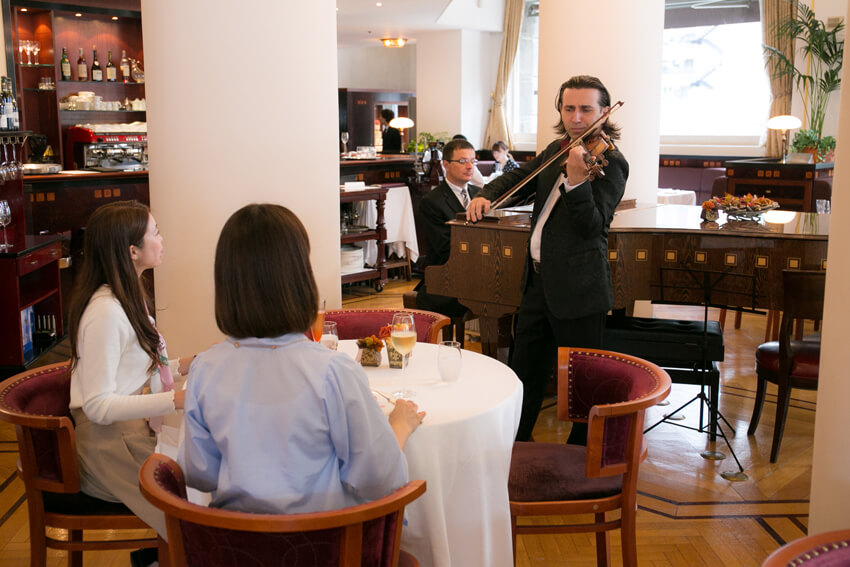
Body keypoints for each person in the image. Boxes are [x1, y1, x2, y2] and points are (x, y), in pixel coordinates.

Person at [179, 204, 424, 514]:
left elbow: (198, 472)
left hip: (233, 547)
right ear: (300, 279)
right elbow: (380, 480)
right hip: (322, 547)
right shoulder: (333, 371)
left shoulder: (205, 369)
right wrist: (399, 425)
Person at [467, 75, 628, 444]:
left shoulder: (613, 163)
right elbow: (518, 178)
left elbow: (593, 227)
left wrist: (576, 183)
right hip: (538, 284)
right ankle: (515, 445)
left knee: (582, 383)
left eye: (585, 109)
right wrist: (485, 195)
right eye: (568, 108)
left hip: (579, 289)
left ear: (604, 111)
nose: (576, 117)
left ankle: (580, 460)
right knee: (525, 373)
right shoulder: (557, 149)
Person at [67, 200, 190, 567]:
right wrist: (176, 400)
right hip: (110, 446)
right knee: (195, 503)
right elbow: (99, 406)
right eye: (155, 233)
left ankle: (156, 559)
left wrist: (190, 364)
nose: (162, 239)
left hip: (130, 433)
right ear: (132, 251)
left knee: (206, 476)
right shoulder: (104, 311)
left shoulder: (128, 295)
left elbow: (140, 370)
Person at [415, 138, 481, 318]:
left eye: (473, 161)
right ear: (446, 164)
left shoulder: (479, 195)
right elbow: (445, 247)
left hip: (479, 272)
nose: (470, 167)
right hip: (445, 280)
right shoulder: (432, 201)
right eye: (462, 161)